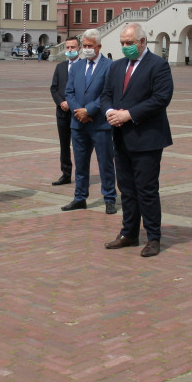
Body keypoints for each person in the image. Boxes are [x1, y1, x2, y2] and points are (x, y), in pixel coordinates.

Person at [100, 22, 173, 257]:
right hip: (121, 136)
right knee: (127, 189)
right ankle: (128, 233)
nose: (125, 47)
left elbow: (161, 98)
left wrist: (129, 115)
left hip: (147, 138)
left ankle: (153, 237)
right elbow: (106, 95)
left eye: (129, 43)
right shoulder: (117, 66)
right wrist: (109, 112)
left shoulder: (158, 65)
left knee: (147, 190)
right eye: (122, 43)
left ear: (142, 42)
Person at [63, 29, 116, 213]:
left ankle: (109, 198)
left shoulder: (109, 66)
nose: (86, 49)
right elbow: (68, 92)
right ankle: (80, 197)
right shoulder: (76, 66)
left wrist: (89, 110)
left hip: (100, 123)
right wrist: (78, 111)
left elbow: (108, 94)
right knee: (80, 163)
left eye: (89, 46)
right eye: (84, 46)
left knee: (105, 162)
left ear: (99, 46)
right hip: (78, 123)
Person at [49, 36, 79, 186]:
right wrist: (61, 102)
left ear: (78, 48)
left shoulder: (83, 66)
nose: (69, 50)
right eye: (67, 47)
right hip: (62, 112)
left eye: (72, 47)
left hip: (78, 113)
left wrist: (71, 104)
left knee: (79, 145)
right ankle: (66, 173)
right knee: (64, 144)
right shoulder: (60, 67)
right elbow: (54, 88)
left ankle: (81, 173)